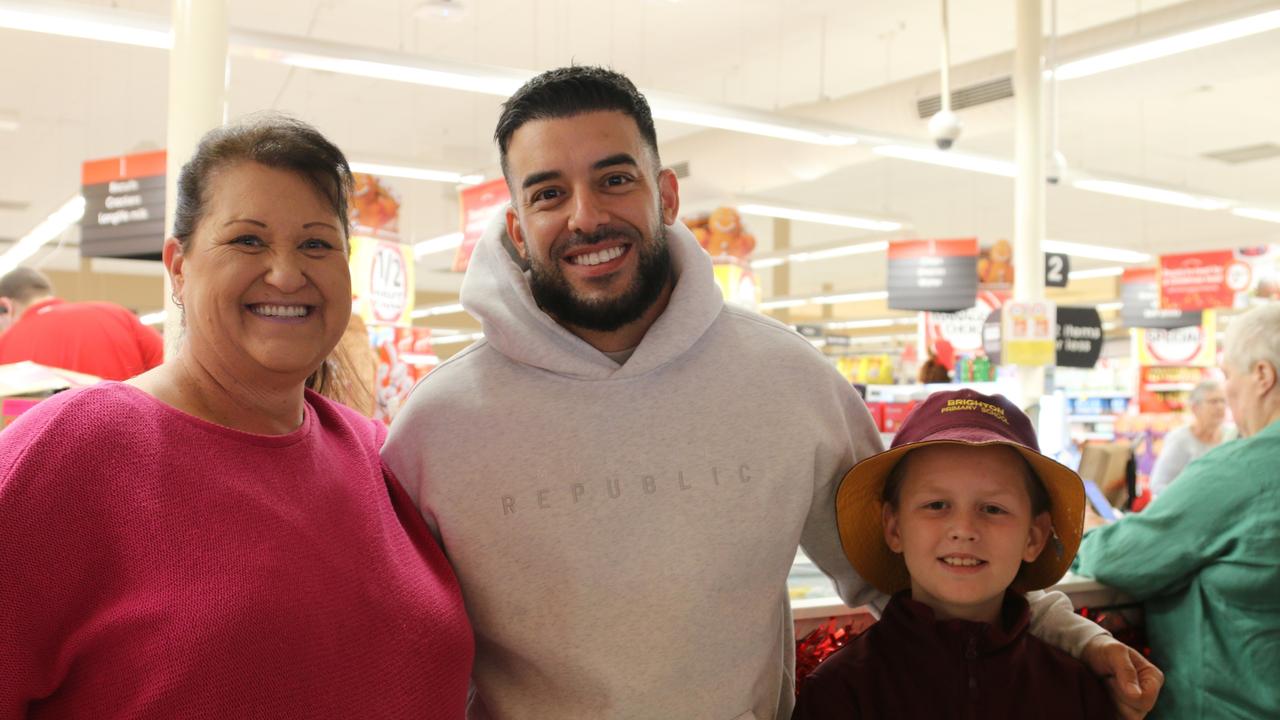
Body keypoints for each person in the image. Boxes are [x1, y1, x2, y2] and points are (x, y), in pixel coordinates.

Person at [383, 65, 1160, 719]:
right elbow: (392, 642)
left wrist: (1075, 636)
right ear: (517, 227)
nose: (586, 216)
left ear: (666, 196)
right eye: (548, 193)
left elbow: (906, 565)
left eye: (614, 179)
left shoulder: (790, 382)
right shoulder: (438, 427)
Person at [0, 114, 472, 718]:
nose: (286, 272)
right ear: (178, 266)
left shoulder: (383, 458)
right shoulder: (71, 451)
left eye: (316, 244)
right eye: (248, 240)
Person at [793, 389, 1113, 719]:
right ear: (894, 528)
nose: (964, 528)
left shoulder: (1077, 691)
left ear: (1034, 537)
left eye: (992, 508)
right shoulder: (841, 692)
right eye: (936, 505)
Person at [1074, 302, 1280, 719]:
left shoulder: (1240, 471)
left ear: (1262, 376)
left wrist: (1090, 527)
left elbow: (1119, 558)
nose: (1226, 397)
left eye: (1227, 377)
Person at [0, 266, 163, 380]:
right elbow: (168, 367)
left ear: (6, 306)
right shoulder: (116, 314)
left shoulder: (6, 345)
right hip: (134, 426)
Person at [1147, 379, 1235, 498]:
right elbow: (1158, 485)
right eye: (1213, 402)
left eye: (1223, 401)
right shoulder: (1180, 439)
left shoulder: (1233, 436)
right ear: (1195, 408)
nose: (1220, 407)